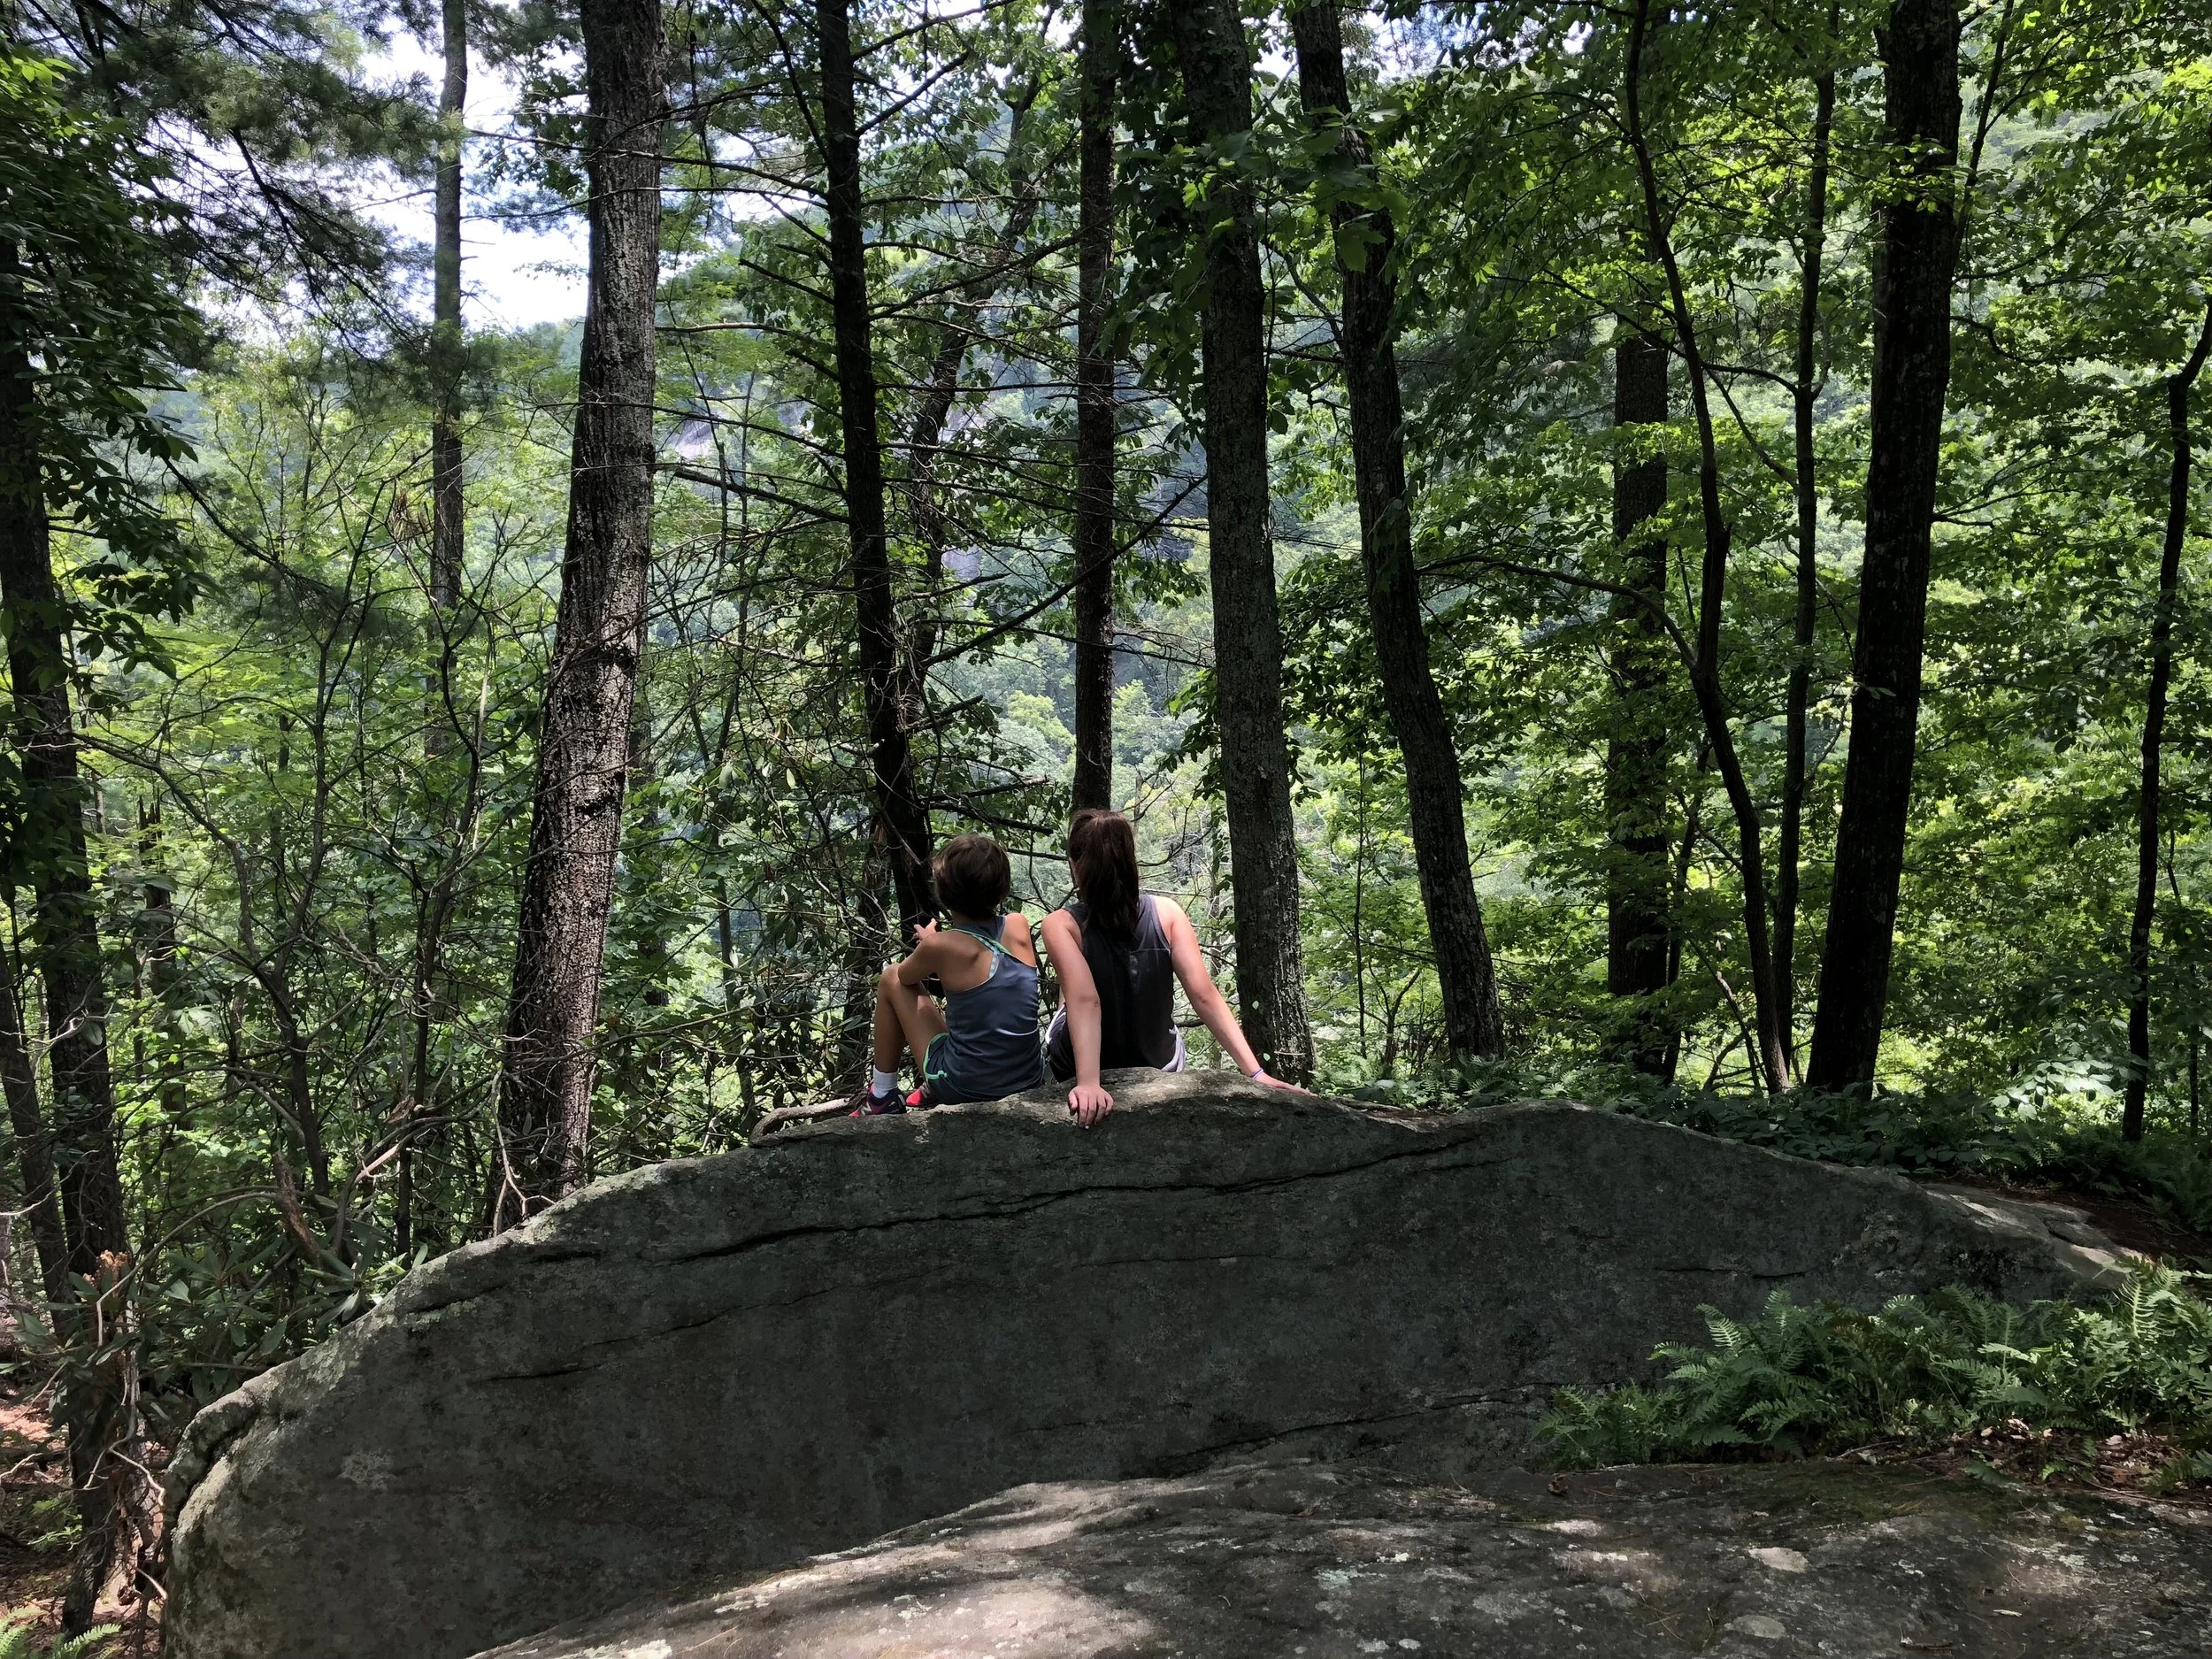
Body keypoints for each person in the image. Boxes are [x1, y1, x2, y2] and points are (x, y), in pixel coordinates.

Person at [1041, 807, 1302, 1127]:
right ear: (1128, 859)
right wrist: (1255, 1073)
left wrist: (1090, 1084)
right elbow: (1203, 995)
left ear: (1076, 864)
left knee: (1071, 995)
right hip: (1160, 1063)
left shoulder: (1060, 924)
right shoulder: (1168, 913)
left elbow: (1086, 1001)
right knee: (1082, 991)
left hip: (1080, 1063)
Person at [849, 833, 1046, 1114]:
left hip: (966, 1087)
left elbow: (905, 978)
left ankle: (882, 1095)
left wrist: (930, 943)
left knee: (889, 975)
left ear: (943, 893)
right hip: (1027, 1080)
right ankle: (921, 1088)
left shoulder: (941, 945)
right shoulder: (1018, 924)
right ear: (1002, 891)